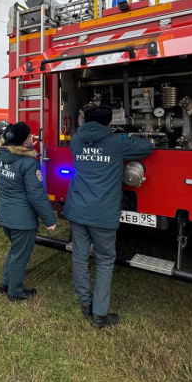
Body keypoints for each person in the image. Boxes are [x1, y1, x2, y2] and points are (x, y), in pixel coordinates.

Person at [64, 105, 153, 329]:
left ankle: (86, 304)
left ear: (85, 119)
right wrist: (125, 134)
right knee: (104, 260)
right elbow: (146, 147)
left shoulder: (75, 140)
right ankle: (99, 315)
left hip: (77, 209)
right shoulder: (117, 142)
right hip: (102, 213)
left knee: (80, 256)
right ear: (109, 122)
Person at [0, 121, 57, 301]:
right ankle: (15, 292)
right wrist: (49, 219)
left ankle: (5, 284)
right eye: (29, 136)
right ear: (23, 143)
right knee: (21, 256)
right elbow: (36, 194)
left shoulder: (2, 156)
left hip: (6, 215)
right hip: (22, 219)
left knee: (15, 251)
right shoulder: (28, 163)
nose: (32, 138)